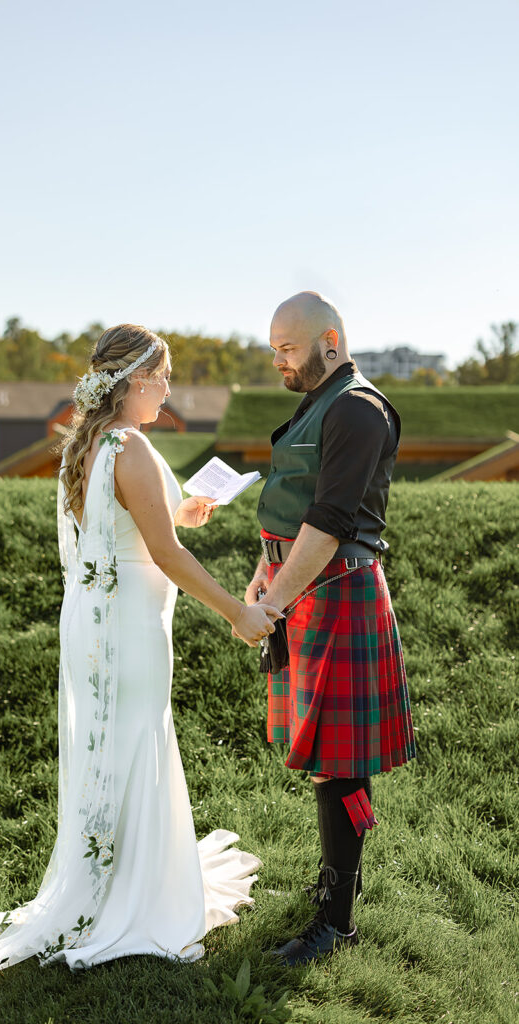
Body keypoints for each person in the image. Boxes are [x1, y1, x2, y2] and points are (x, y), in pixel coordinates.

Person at [0, 323, 281, 989]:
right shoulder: (130, 446)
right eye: (163, 375)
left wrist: (187, 510)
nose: (168, 388)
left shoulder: (87, 445)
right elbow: (164, 553)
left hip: (92, 625)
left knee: (114, 751)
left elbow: (134, 525)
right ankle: (130, 901)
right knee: (137, 744)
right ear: (134, 379)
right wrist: (238, 612)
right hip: (130, 630)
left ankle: (115, 876)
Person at [241, 292, 416, 967]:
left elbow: (329, 521)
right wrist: (264, 571)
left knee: (340, 767)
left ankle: (335, 920)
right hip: (302, 591)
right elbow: (291, 499)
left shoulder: (357, 408)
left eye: (286, 348)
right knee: (323, 762)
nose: (277, 360)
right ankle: (333, 896)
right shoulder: (320, 400)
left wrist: (272, 605)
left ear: (330, 340)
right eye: (274, 349)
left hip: (333, 593)